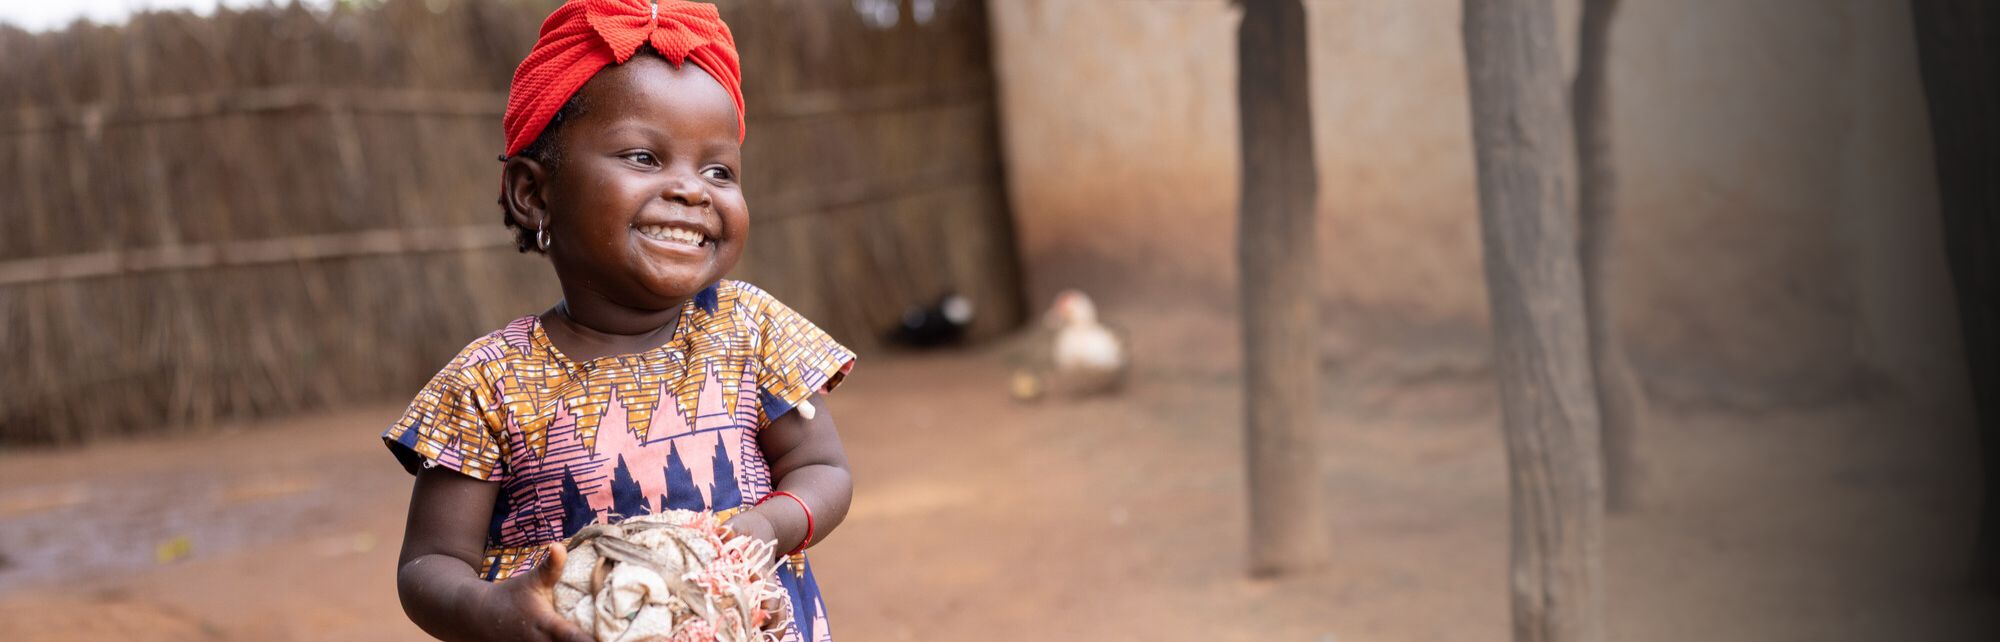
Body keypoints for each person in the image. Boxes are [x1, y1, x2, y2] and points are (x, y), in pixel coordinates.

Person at [383, 2, 853, 640]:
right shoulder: (489, 382)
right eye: (644, 157)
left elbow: (824, 471)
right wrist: (491, 610)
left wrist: (771, 524)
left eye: (719, 170)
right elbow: (429, 564)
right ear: (534, 194)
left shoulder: (751, 330)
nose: (693, 190)